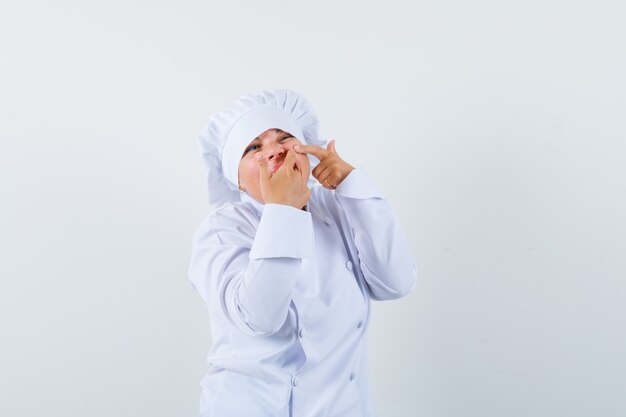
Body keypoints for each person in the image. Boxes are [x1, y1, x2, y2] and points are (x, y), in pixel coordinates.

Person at [188, 89, 417, 417]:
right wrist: (284, 209)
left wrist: (353, 184)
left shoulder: (336, 206)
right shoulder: (221, 231)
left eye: (284, 137)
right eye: (253, 147)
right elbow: (259, 317)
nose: (274, 151)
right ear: (235, 179)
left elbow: (397, 282)